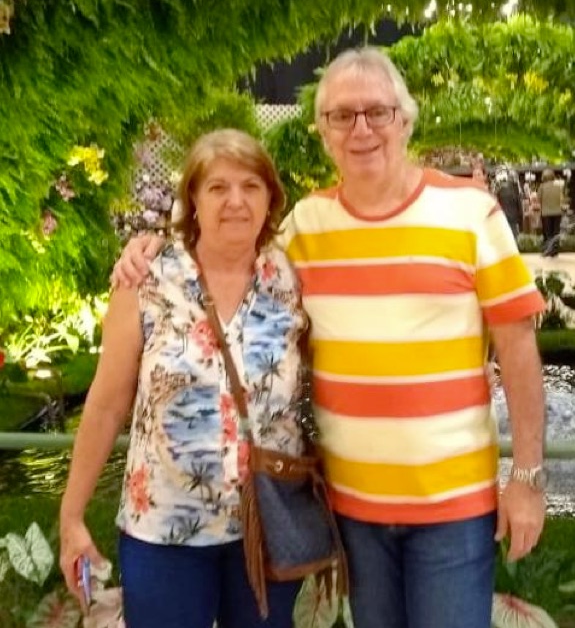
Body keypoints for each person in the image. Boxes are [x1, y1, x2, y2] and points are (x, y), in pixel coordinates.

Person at [113, 48, 547, 628]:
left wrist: (528, 479)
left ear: (405, 120)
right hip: (352, 511)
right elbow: (227, 249)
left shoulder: (472, 214)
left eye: (377, 112)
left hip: (453, 510)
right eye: (342, 116)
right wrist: (151, 248)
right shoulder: (306, 227)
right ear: (323, 132)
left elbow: (518, 349)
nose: (361, 129)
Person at [59, 129, 308, 628]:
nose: (235, 201)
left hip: (268, 527)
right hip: (164, 530)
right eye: (217, 187)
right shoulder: (147, 279)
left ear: (270, 199)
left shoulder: (290, 277)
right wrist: (72, 515)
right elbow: (106, 404)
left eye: (251, 186)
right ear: (192, 199)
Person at [538, 168, 563, 257]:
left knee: (548, 233)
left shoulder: (542, 187)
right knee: (555, 232)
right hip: (557, 212)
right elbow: (561, 199)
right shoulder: (558, 187)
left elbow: (539, 199)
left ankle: (548, 250)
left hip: (546, 213)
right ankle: (555, 251)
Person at [495, 168, 524, 241]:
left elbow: (497, 201)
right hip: (513, 215)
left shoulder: (500, 188)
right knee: (514, 236)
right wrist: (521, 216)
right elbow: (519, 204)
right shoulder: (515, 188)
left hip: (503, 215)